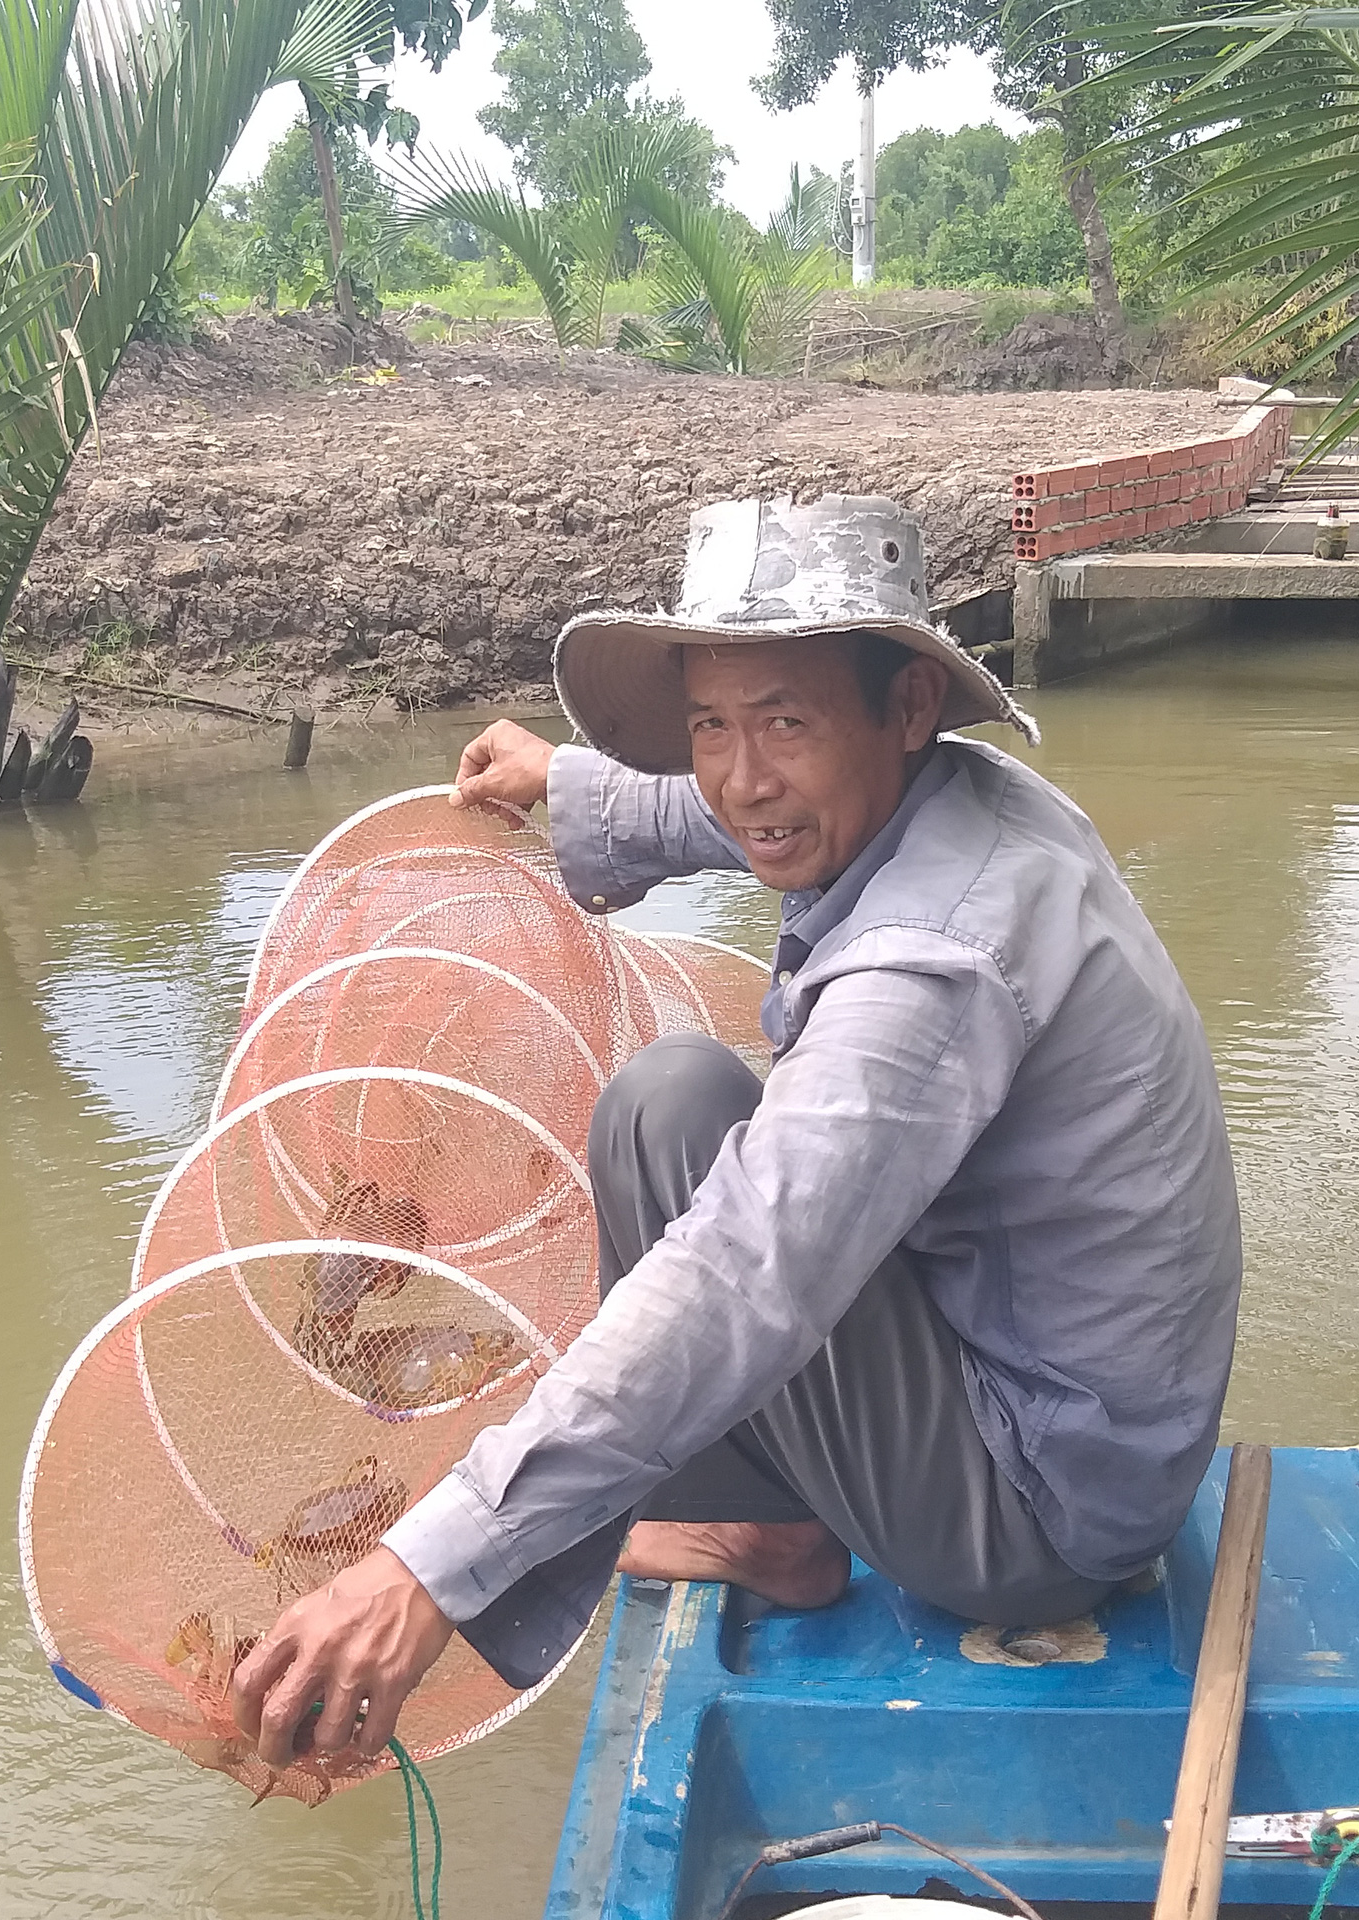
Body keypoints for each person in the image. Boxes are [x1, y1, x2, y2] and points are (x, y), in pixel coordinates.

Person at [230, 494, 1241, 1770]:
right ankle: (760, 1515)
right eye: (709, 722)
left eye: (784, 720)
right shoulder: (965, 800)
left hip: (1041, 1513)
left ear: (907, 708)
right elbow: (754, 811)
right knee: (677, 1091)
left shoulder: (928, 970)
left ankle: (760, 1529)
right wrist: (574, 784)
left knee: (673, 1131)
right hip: (1067, 1395)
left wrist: (426, 1573)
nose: (741, 770)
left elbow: (742, 1275)